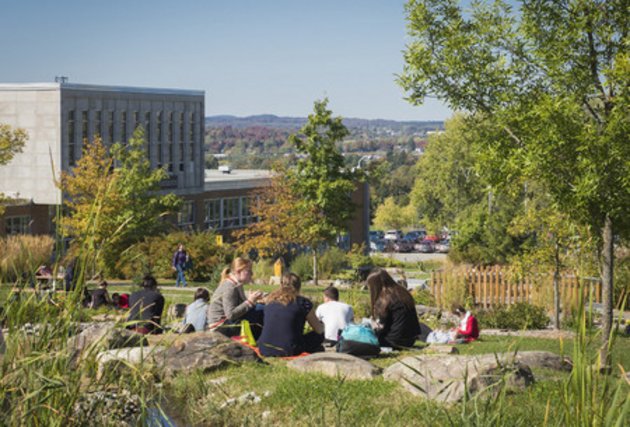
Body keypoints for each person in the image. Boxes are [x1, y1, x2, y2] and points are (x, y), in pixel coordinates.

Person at [258, 273, 325, 357]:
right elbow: (318, 329)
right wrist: (323, 326)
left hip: (264, 348)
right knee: (319, 335)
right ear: (299, 287)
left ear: (281, 285)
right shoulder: (303, 303)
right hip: (289, 349)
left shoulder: (269, 300)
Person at [207, 258, 264, 337]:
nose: (252, 274)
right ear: (238, 271)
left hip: (225, 324)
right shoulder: (230, 287)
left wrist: (253, 301)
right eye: (249, 271)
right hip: (220, 327)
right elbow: (230, 315)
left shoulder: (236, 284)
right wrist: (250, 301)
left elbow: (242, 308)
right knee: (262, 310)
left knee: (260, 308)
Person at [366, 268, 421, 349]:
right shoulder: (402, 291)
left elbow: (383, 327)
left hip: (393, 341)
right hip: (411, 340)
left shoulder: (384, 299)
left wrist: (374, 326)